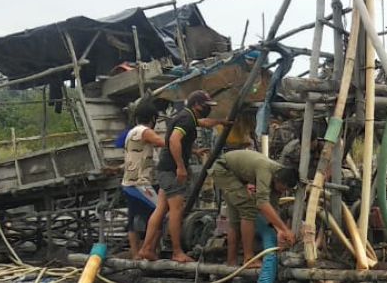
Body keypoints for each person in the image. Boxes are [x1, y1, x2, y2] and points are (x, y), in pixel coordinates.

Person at [140, 90, 222, 263]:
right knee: (177, 211)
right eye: (206, 106)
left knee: (161, 209)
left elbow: (202, 122)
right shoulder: (186, 119)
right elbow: (174, 140)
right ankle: (177, 252)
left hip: (164, 169)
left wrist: (221, 122)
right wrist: (181, 167)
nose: (208, 109)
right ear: (197, 105)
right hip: (171, 170)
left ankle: (147, 248)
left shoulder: (188, 117)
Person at [211, 149, 298, 266]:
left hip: (233, 175)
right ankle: (249, 258)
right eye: (282, 188)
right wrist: (285, 230)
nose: (282, 192)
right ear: (277, 180)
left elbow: (272, 209)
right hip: (224, 170)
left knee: (236, 219)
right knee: (248, 209)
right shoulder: (266, 170)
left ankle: (231, 262)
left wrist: (279, 231)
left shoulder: (279, 175)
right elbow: (262, 204)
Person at [121, 102, 165, 259]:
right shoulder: (144, 131)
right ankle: (149, 250)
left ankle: (136, 255)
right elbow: (163, 143)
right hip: (141, 183)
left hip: (128, 183)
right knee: (159, 214)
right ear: (153, 118)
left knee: (133, 219)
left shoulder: (131, 132)